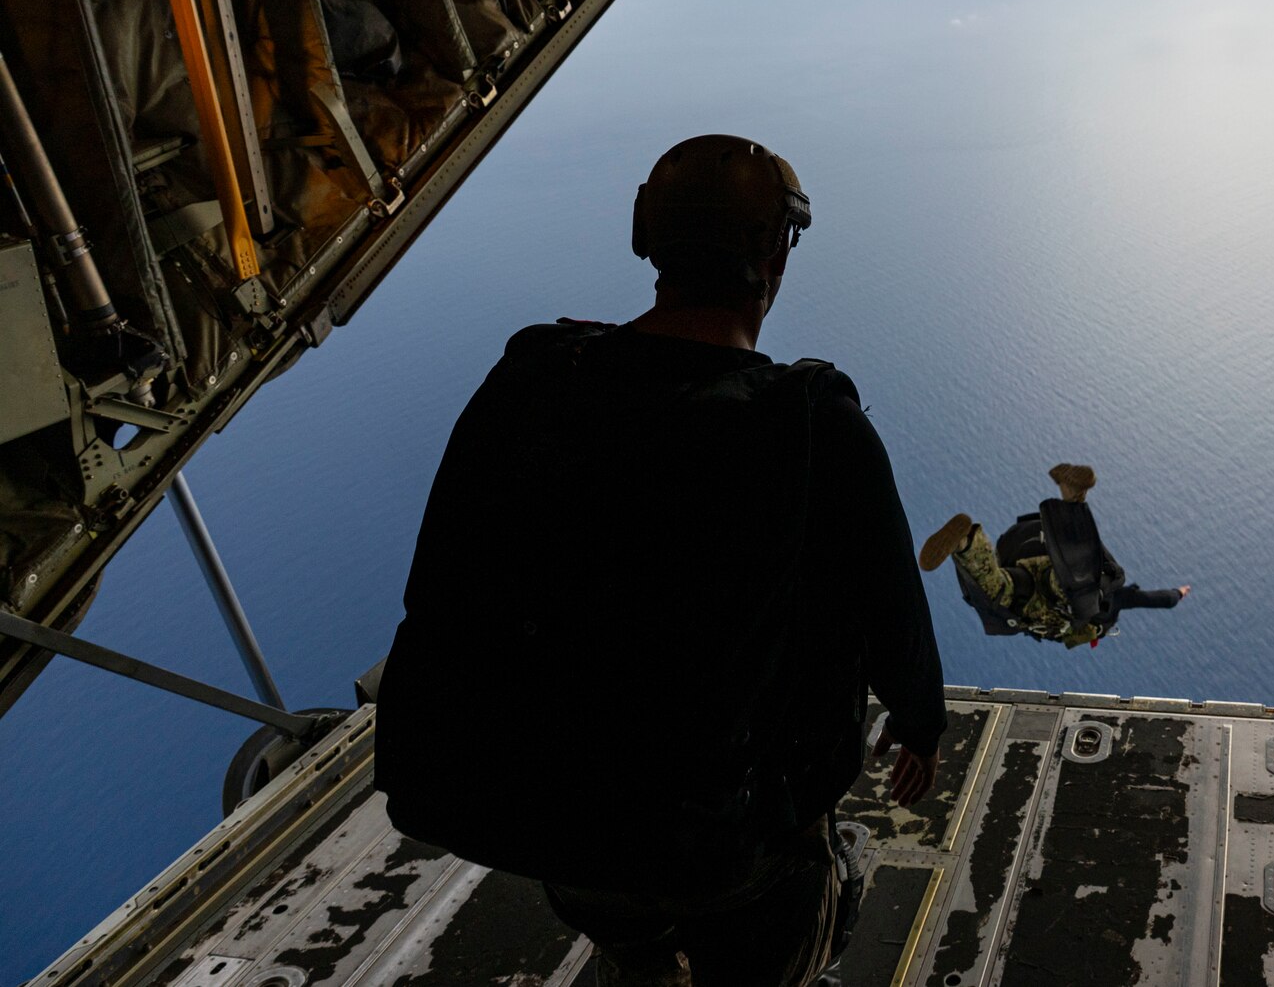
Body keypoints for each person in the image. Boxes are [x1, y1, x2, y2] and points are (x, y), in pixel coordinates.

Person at [374, 134, 946, 987]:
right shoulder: (815, 427)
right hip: (734, 854)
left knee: (631, 937)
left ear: (653, 241)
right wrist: (920, 724)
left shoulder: (531, 380)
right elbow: (892, 612)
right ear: (770, 253)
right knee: (788, 927)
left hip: (558, 833)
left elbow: (446, 581)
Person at [921, 463, 1190, 648]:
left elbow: (1144, 599)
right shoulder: (1101, 608)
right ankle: (1074, 498)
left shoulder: (1051, 621)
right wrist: (1176, 595)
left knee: (1000, 590)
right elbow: (1145, 599)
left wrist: (1174, 595)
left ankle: (966, 543)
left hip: (1026, 567)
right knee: (1068, 588)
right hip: (1052, 570)